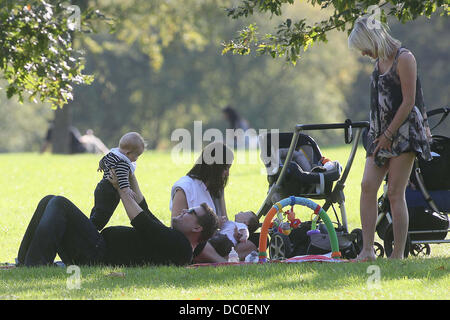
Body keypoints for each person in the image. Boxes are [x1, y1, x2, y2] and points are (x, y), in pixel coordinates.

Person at [348, 17, 432, 260]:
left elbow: (408, 101)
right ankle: (366, 251)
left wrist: (388, 135)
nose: (363, 53)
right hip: (380, 134)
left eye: (364, 46)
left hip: (404, 134)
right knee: (367, 186)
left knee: (395, 193)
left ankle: (397, 255)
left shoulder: (404, 58)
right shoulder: (378, 62)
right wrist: (379, 136)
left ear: (372, 39)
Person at [16, 170, 218, 267]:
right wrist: (129, 172)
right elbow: (144, 210)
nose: (182, 211)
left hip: (98, 254)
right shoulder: (173, 239)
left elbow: (141, 221)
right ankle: (24, 262)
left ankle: (36, 264)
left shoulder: (181, 248)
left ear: (198, 229)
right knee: (49, 201)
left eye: (190, 213)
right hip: (96, 249)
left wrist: (121, 189)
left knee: (59, 203)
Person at [170, 141, 258, 262]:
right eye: (225, 168)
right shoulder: (185, 187)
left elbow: (224, 220)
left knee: (258, 238)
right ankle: (224, 260)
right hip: (199, 241)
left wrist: (238, 231)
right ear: (214, 167)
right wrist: (214, 226)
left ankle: (224, 258)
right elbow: (176, 227)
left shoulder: (216, 187)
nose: (227, 173)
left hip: (221, 239)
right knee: (203, 245)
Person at [90, 132, 146, 231]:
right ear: (128, 153)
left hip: (101, 187)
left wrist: (100, 166)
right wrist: (126, 189)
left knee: (97, 209)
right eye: (136, 156)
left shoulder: (112, 154)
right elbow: (121, 177)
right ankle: (92, 228)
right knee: (104, 214)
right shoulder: (123, 163)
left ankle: (90, 224)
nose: (136, 159)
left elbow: (103, 160)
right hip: (110, 192)